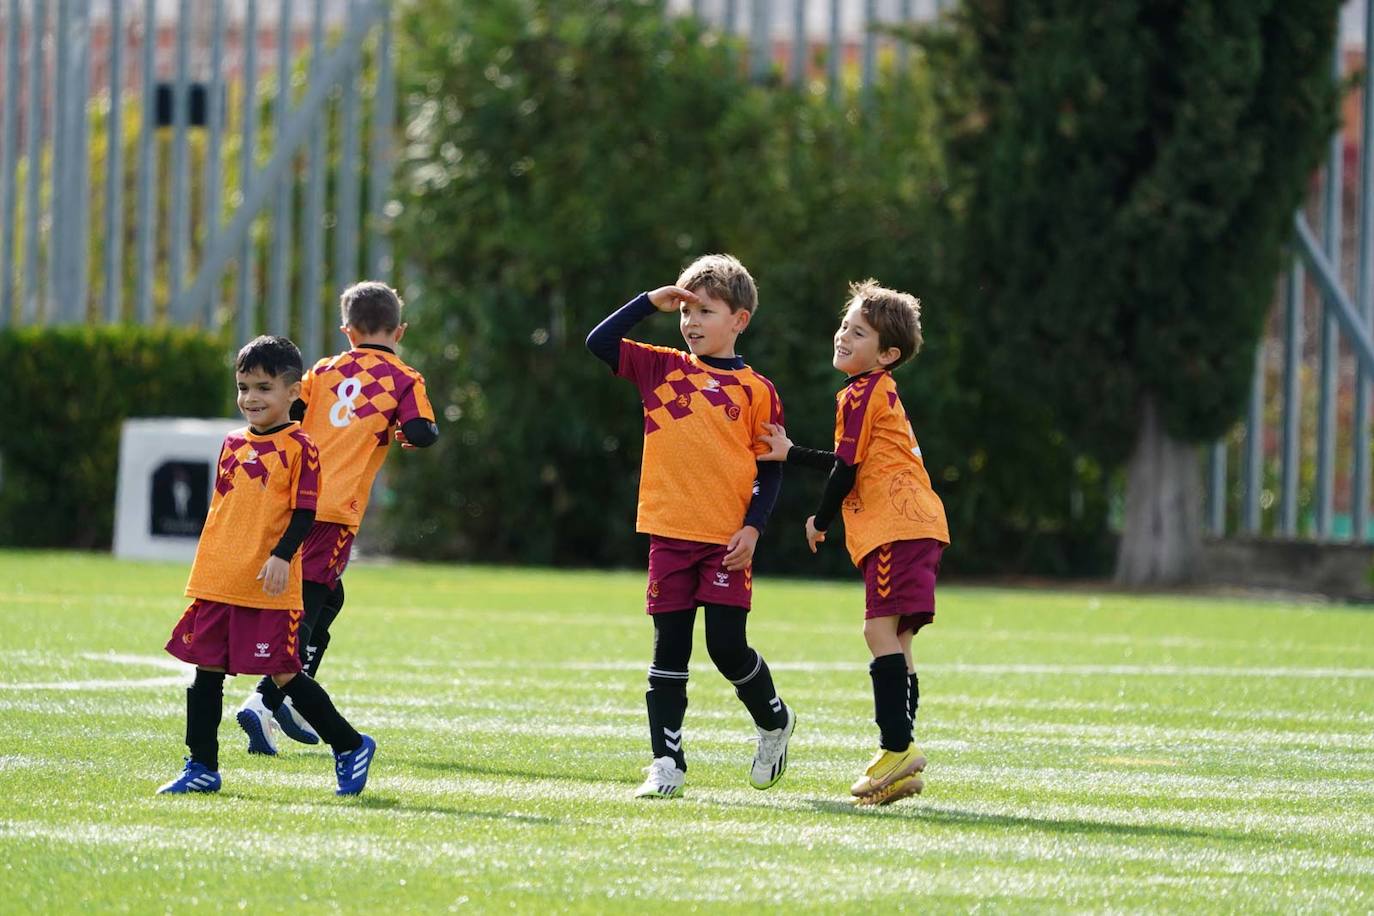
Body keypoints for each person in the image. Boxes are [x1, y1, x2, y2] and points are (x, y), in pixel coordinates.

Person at [586, 253, 796, 799]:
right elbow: (599, 343)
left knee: (727, 649)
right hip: (669, 535)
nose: (691, 322)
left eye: (705, 310)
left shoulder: (757, 390)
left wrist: (753, 530)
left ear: (739, 320)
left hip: (726, 542)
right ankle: (667, 763)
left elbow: (770, 471)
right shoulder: (664, 368)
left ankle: (774, 721)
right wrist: (647, 303)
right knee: (668, 652)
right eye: (686, 311)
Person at [758, 279, 949, 806]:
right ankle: (901, 765)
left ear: (887, 354)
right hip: (918, 526)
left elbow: (846, 471)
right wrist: (792, 453)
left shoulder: (863, 392)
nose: (843, 335)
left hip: (896, 527)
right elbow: (852, 461)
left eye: (858, 332)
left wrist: (819, 519)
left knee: (877, 631)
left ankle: (897, 748)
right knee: (900, 641)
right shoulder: (873, 393)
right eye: (845, 325)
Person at [158, 335, 375, 795]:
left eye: (263, 388)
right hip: (220, 579)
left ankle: (349, 745)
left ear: (293, 392)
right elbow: (225, 511)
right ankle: (201, 766)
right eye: (243, 387)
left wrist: (281, 556)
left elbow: (304, 513)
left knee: (283, 672)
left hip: (270, 584)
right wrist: (209, 568)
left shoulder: (301, 447)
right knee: (205, 670)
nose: (250, 398)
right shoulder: (232, 443)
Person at [235, 282, 438, 754]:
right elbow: (422, 431)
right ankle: (266, 700)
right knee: (309, 602)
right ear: (400, 330)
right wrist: (409, 433)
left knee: (329, 599)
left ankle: (288, 696)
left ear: (347, 330)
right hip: (333, 510)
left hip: (292, 500)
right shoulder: (404, 377)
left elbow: (290, 411)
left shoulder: (324, 370)